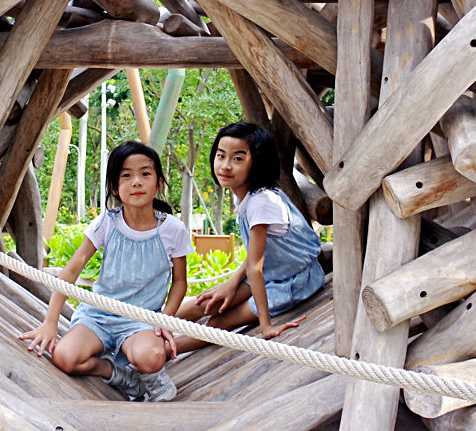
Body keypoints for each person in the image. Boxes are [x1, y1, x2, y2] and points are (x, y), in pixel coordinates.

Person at [20, 141, 189, 401]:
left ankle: (150, 378)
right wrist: (50, 322)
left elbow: (179, 282)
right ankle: (116, 373)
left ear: (158, 183)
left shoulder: (172, 229)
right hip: (98, 315)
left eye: (145, 174)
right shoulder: (107, 222)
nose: (136, 182)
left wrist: (164, 320)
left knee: (151, 357)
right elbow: (72, 270)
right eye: (126, 175)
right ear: (114, 186)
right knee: (65, 358)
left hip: (141, 319)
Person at [170, 122, 323, 354]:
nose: (225, 166)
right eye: (221, 156)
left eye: (238, 159)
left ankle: (155, 354)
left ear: (258, 163)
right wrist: (231, 284)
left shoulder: (262, 201)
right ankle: (137, 330)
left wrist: (266, 326)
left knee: (216, 324)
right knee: (206, 304)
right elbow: (257, 255)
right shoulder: (245, 195)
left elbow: (255, 267)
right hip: (273, 273)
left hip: (294, 281)